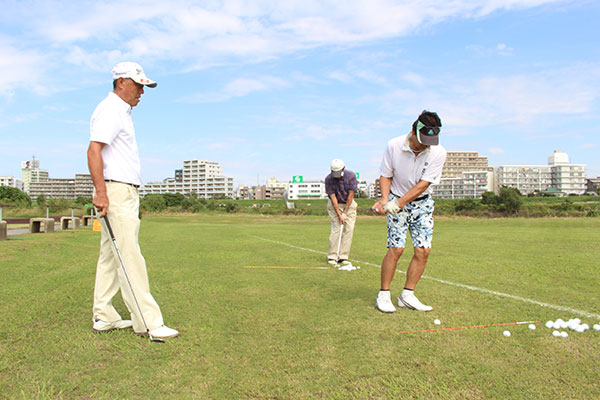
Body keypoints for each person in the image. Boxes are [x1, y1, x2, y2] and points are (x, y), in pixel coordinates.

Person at [87, 62, 179, 339]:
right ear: (121, 82)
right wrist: (101, 192)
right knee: (129, 255)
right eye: (139, 85)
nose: (142, 91)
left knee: (109, 256)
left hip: (122, 189)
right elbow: (93, 150)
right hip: (116, 191)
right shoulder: (112, 109)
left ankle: (104, 316)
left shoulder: (121, 111)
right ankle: (149, 323)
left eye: (144, 86)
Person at [372, 110, 446, 313]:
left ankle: (407, 295)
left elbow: (423, 185)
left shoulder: (438, 151)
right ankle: (384, 294)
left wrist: (398, 203)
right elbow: (386, 175)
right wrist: (386, 200)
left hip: (422, 204)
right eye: (423, 139)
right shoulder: (394, 145)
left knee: (423, 250)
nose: (426, 145)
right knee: (396, 249)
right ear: (413, 130)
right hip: (396, 197)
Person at [325, 159, 358, 266]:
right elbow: (333, 198)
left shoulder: (351, 176)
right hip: (335, 205)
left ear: (343, 169)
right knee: (336, 229)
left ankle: (343, 257)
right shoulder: (329, 179)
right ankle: (332, 256)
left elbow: (351, 195)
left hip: (349, 204)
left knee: (349, 230)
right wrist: (339, 214)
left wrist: (346, 211)